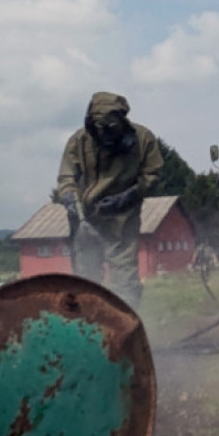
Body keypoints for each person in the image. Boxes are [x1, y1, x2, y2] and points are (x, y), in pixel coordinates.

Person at [56, 92, 163, 305]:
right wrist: (69, 198)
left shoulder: (143, 140)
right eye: (100, 127)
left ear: (122, 122)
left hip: (122, 220)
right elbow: (66, 178)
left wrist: (127, 197)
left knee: (124, 280)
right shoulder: (78, 142)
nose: (105, 133)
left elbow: (153, 174)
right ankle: (87, 329)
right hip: (85, 219)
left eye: (111, 127)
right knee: (86, 280)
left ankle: (124, 327)